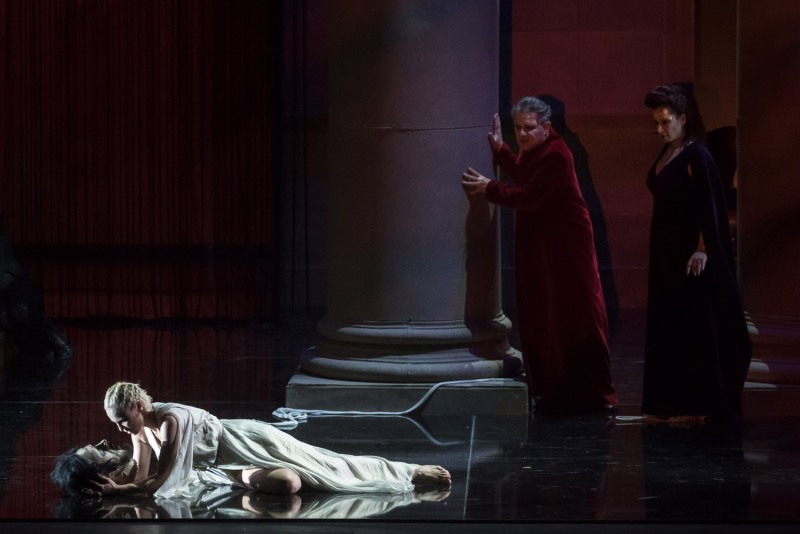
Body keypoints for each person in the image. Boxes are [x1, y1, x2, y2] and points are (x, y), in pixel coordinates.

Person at [461, 96, 618, 415]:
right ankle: (554, 389)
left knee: (572, 314)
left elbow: (530, 195)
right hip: (545, 241)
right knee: (545, 312)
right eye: (518, 127)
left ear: (546, 128)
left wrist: (490, 188)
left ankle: (585, 392)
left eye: (529, 128)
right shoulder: (539, 150)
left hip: (565, 246)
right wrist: (502, 151)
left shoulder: (557, 153)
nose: (522, 134)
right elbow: (526, 174)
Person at [51, 382, 451, 499]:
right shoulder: (141, 431)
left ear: (139, 405)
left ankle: (408, 471)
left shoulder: (171, 421)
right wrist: (115, 486)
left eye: (124, 420)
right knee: (289, 484)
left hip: (250, 441)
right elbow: (141, 474)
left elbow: (159, 480)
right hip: (227, 466)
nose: (121, 430)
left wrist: (121, 492)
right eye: (117, 425)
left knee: (328, 465)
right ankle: (247, 480)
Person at [641, 84, 751, 425]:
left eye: (665, 121)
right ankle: (669, 403)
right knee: (669, 324)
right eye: (656, 122)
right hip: (665, 251)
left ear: (684, 118)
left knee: (692, 326)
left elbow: (710, 207)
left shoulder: (697, 154)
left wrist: (703, 249)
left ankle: (698, 405)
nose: (660, 129)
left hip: (689, 254)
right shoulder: (670, 151)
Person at [0, 214, 72, 360]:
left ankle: (45, 340)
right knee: (11, 313)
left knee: (20, 310)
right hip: (10, 289)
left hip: (13, 285)